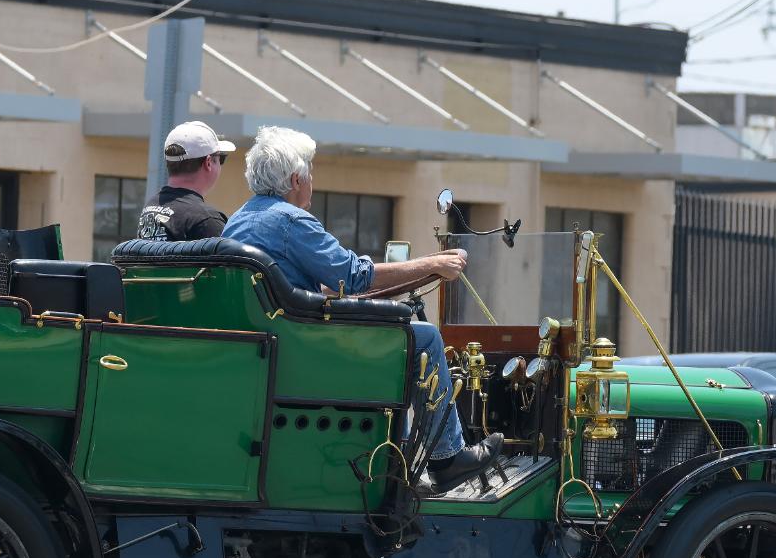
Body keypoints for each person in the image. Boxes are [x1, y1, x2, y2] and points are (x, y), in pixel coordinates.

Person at [223, 126, 502, 489]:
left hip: (275, 348)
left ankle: (396, 460)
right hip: (307, 350)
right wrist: (431, 264)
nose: (312, 181)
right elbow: (354, 276)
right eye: (310, 171)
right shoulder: (292, 221)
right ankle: (448, 458)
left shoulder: (237, 220)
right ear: (296, 179)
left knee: (396, 334)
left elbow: (300, 281)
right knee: (426, 338)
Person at [135, 121, 236, 241]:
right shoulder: (207, 221)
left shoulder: (151, 207)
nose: (221, 164)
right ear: (208, 163)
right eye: (221, 159)